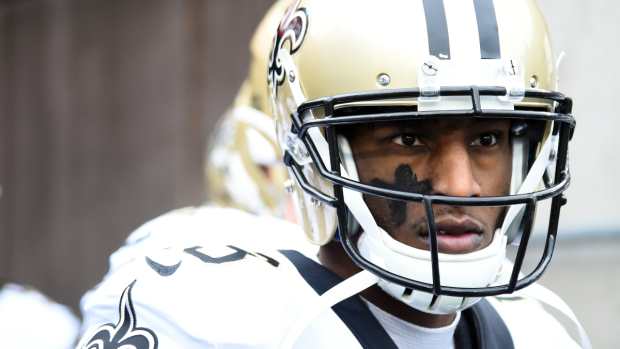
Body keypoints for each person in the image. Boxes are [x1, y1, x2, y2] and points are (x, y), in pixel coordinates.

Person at [77, 0, 590, 348]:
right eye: (409, 138)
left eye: (487, 139)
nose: (460, 186)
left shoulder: (540, 331)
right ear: (314, 151)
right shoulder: (214, 316)